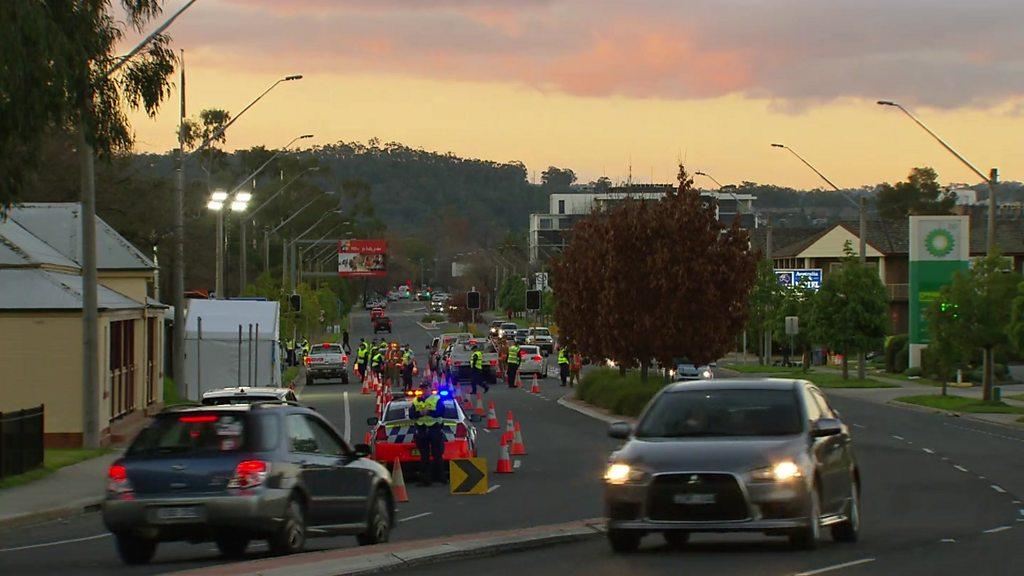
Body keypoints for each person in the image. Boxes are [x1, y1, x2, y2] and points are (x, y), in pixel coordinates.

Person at [408, 383, 445, 486]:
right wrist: (420, 413)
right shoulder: (416, 401)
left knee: (437, 455)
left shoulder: (436, 399)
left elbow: (440, 412)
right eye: (423, 389)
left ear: (430, 389)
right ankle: (425, 480)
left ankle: (440, 478)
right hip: (422, 431)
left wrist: (427, 412)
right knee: (424, 457)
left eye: (426, 388)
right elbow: (411, 415)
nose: (425, 391)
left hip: (435, 429)